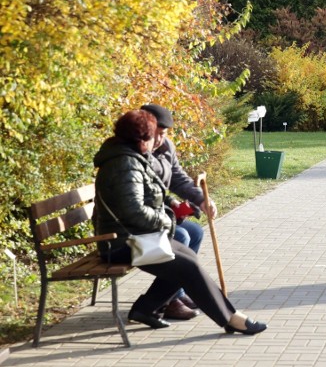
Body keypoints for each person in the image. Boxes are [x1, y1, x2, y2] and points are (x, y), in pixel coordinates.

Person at [94, 109, 267, 335]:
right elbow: (133, 211)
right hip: (119, 244)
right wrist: (167, 219)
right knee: (186, 267)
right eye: (154, 135)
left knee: (188, 259)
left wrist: (171, 205)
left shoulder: (132, 157)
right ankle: (231, 319)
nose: (159, 140)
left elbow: (151, 193)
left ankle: (146, 309)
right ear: (140, 138)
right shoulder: (124, 163)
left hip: (135, 237)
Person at [138, 103, 216, 320]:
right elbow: (139, 198)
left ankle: (176, 292)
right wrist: (169, 207)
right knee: (181, 235)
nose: (161, 139)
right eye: (158, 134)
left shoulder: (165, 146)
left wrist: (201, 200)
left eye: (164, 134)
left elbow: (177, 177)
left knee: (195, 232)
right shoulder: (137, 152)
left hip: (158, 212)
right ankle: (169, 300)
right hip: (137, 222)